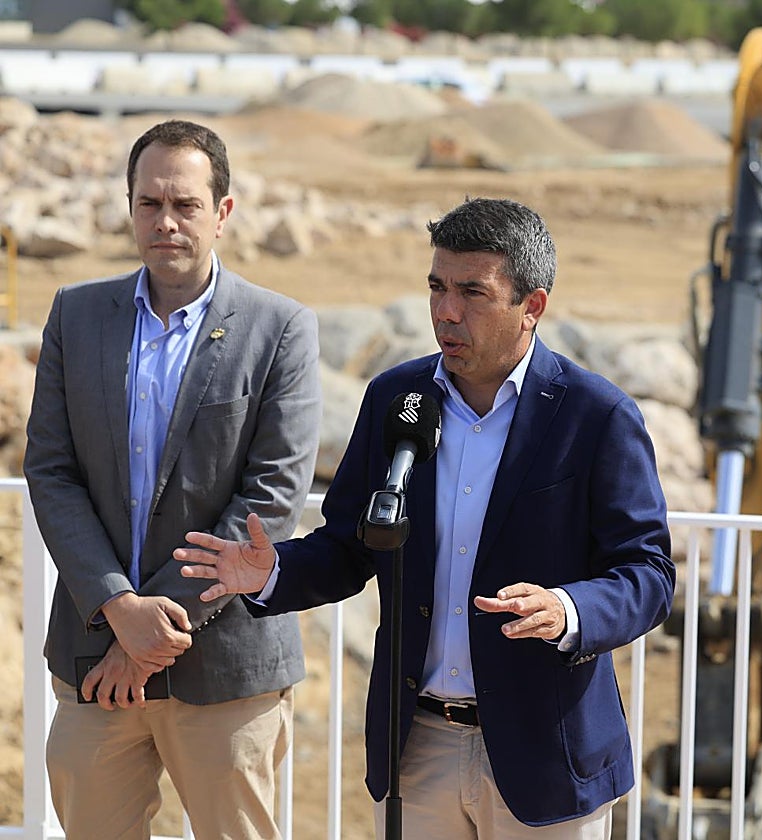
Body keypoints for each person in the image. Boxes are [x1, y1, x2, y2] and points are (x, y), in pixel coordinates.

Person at [174, 197, 676, 838]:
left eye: (473, 292)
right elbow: (353, 546)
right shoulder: (395, 398)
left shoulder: (596, 415)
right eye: (437, 287)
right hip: (419, 750)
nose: (446, 311)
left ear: (533, 307)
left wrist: (569, 609)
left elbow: (648, 574)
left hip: (544, 755)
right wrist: (276, 570)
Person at [23, 119, 322, 839]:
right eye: (149, 203)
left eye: (184, 204)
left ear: (223, 212)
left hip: (226, 670)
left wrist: (146, 632)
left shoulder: (280, 327)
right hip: (97, 662)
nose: (166, 221)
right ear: (129, 207)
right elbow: (52, 470)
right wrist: (116, 607)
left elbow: (272, 495)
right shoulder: (76, 314)